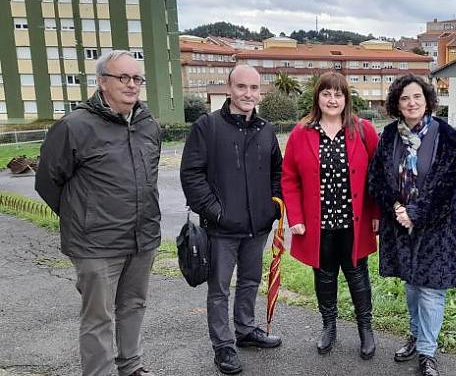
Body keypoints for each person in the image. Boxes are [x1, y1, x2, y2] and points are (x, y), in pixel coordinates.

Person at [35, 51, 160, 376]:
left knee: (133, 305)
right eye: (124, 78)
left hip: (142, 238)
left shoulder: (148, 125)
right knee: (98, 317)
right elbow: (48, 182)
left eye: (137, 78)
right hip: (95, 244)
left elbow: (149, 176)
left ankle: (131, 366)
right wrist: (84, 217)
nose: (132, 85)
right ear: (102, 82)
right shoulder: (74, 126)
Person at [180, 65, 283, 375]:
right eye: (241, 87)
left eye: (254, 88)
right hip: (221, 230)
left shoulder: (265, 128)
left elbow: (278, 171)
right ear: (229, 89)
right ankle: (224, 346)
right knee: (219, 290)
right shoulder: (207, 126)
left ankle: (246, 330)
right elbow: (191, 174)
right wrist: (216, 212)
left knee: (251, 281)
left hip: (258, 227)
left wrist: (274, 206)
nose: (248, 93)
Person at [367, 74, 456, 376]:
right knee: (412, 286)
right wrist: (397, 207)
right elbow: (377, 179)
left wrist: (416, 213)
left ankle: (427, 351)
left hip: (437, 228)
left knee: (432, 290)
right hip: (400, 226)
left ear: (427, 100)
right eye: (405, 98)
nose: (412, 103)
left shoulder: (446, 136)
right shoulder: (388, 136)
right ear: (397, 104)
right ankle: (414, 335)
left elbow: (449, 185)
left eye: (417, 97)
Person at [281, 72, 380, 359]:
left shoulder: (363, 131)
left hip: (354, 221)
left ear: (346, 99)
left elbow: (376, 177)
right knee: (324, 276)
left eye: (338, 94)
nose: (332, 99)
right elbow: (290, 178)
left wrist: (376, 212)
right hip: (318, 223)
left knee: (357, 275)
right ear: (318, 97)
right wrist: (295, 217)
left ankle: (365, 328)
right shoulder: (302, 132)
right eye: (326, 93)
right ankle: (328, 326)